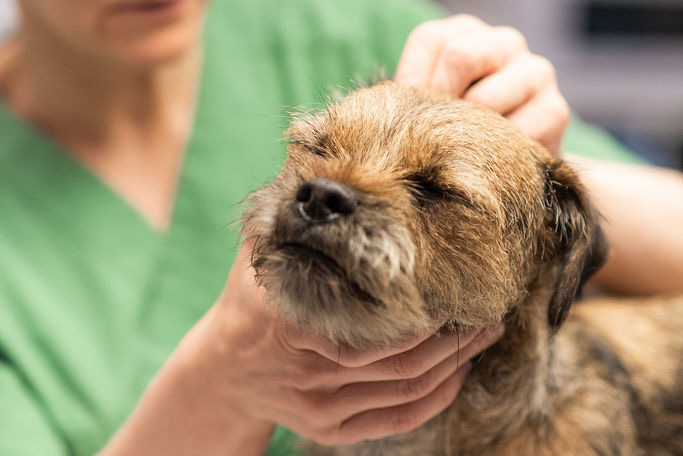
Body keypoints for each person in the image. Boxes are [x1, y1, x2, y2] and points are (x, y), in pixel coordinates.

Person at [0, 0, 680, 455]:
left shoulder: (349, 24)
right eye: (317, 148)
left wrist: (533, 168)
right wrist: (217, 385)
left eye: (434, 191)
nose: (329, 191)